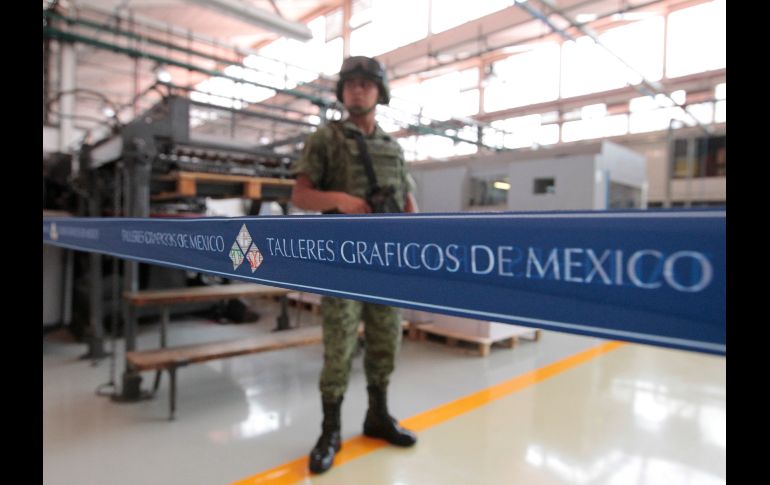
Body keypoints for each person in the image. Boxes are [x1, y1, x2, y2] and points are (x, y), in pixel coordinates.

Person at [290, 55, 419, 474]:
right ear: (342, 92)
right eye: (351, 84)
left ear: (380, 92)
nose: (358, 90)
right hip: (342, 262)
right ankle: (330, 431)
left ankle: (377, 417)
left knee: (386, 341)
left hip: (386, 263)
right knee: (339, 348)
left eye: (366, 84)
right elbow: (300, 196)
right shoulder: (325, 139)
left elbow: (409, 203)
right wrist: (339, 200)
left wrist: (416, 245)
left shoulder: (393, 147)